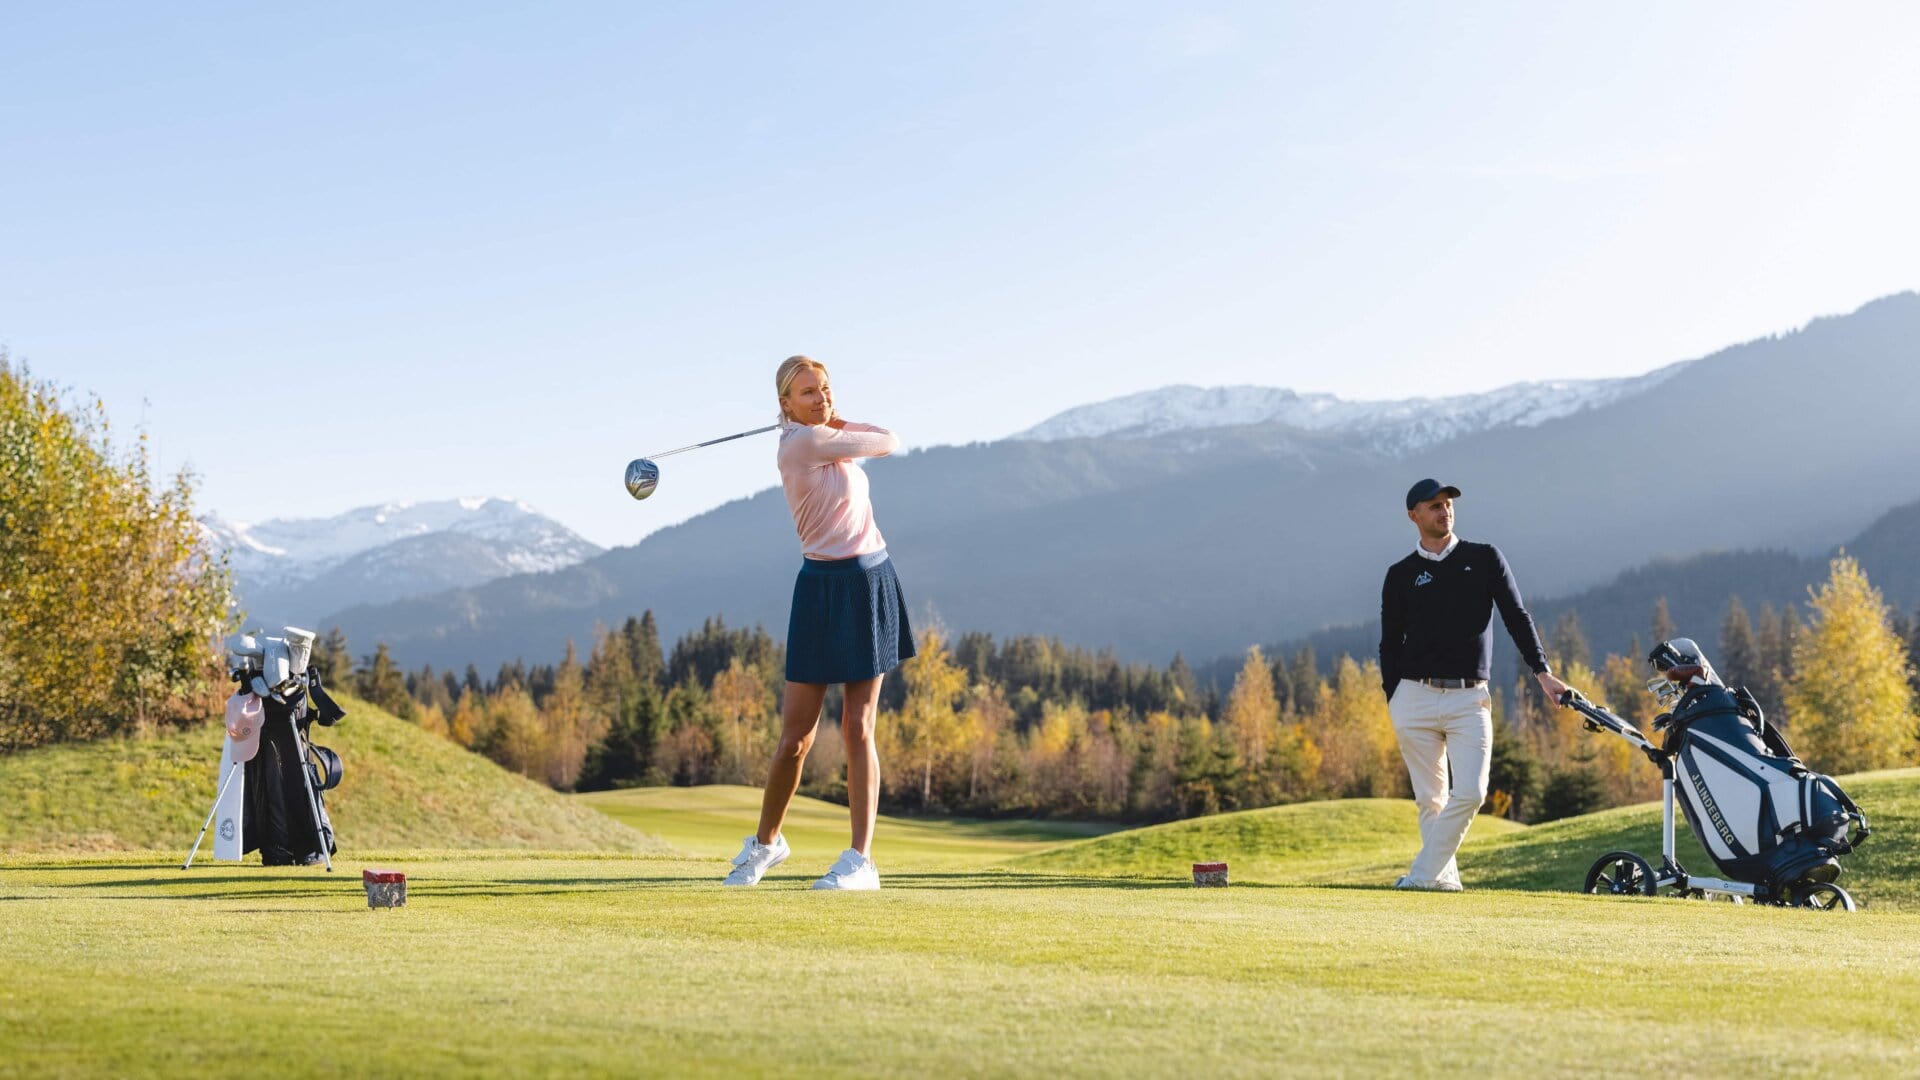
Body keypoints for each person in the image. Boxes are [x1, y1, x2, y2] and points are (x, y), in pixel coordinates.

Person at [723, 355, 916, 891]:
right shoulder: (804, 444)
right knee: (795, 739)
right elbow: (887, 440)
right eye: (807, 392)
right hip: (819, 589)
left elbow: (883, 440)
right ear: (784, 403)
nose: (822, 399)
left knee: (859, 726)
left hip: (868, 581)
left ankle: (861, 861)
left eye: (826, 389)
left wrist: (830, 419)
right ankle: (767, 843)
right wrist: (833, 423)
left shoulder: (821, 437)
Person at [1379, 478, 1571, 891]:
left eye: (1447, 504)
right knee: (1430, 800)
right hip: (1413, 696)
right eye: (1433, 505)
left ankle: (1420, 876)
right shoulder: (1400, 575)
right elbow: (1389, 642)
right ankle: (1442, 882)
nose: (1444, 510)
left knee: (1471, 792)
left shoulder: (1484, 558)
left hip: (1470, 697)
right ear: (1414, 516)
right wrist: (1393, 696)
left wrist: (1542, 672)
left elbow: (1517, 616)